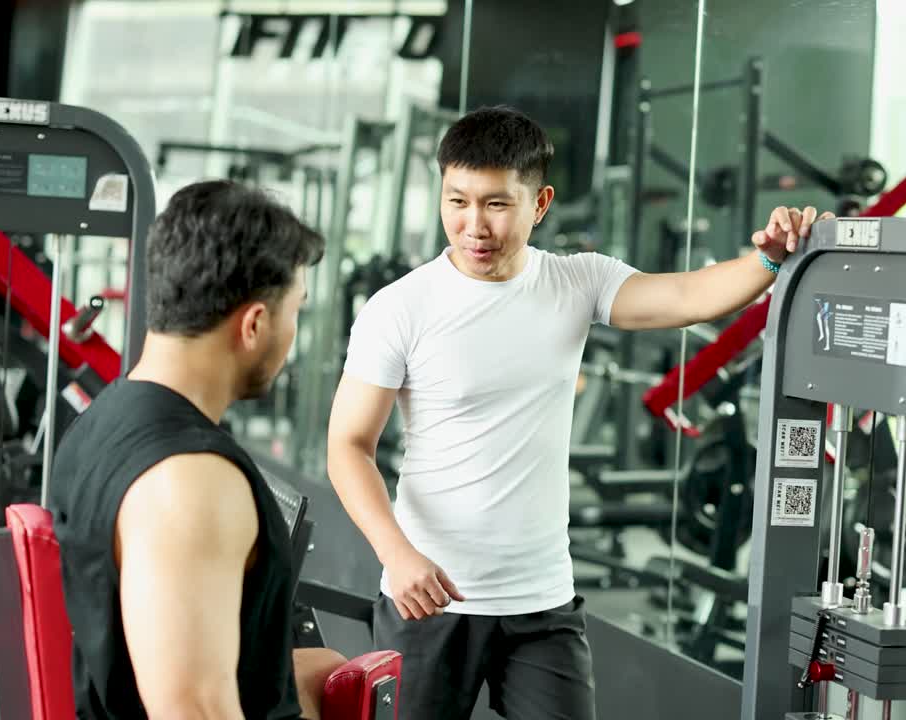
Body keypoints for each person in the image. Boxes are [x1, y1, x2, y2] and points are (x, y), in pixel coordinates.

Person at [325, 105, 832, 720]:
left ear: (540, 204)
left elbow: (687, 295)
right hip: (429, 601)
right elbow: (349, 444)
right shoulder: (399, 308)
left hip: (542, 604)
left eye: (496, 204)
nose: (472, 225)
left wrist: (771, 259)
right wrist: (396, 554)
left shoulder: (577, 282)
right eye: (456, 201)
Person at [51, 180, 347, 720]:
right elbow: (193, 710)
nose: (294, 333)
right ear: (255, 323)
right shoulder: (189, 481)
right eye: (296, 311)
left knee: (329, 666)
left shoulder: (106, 417)